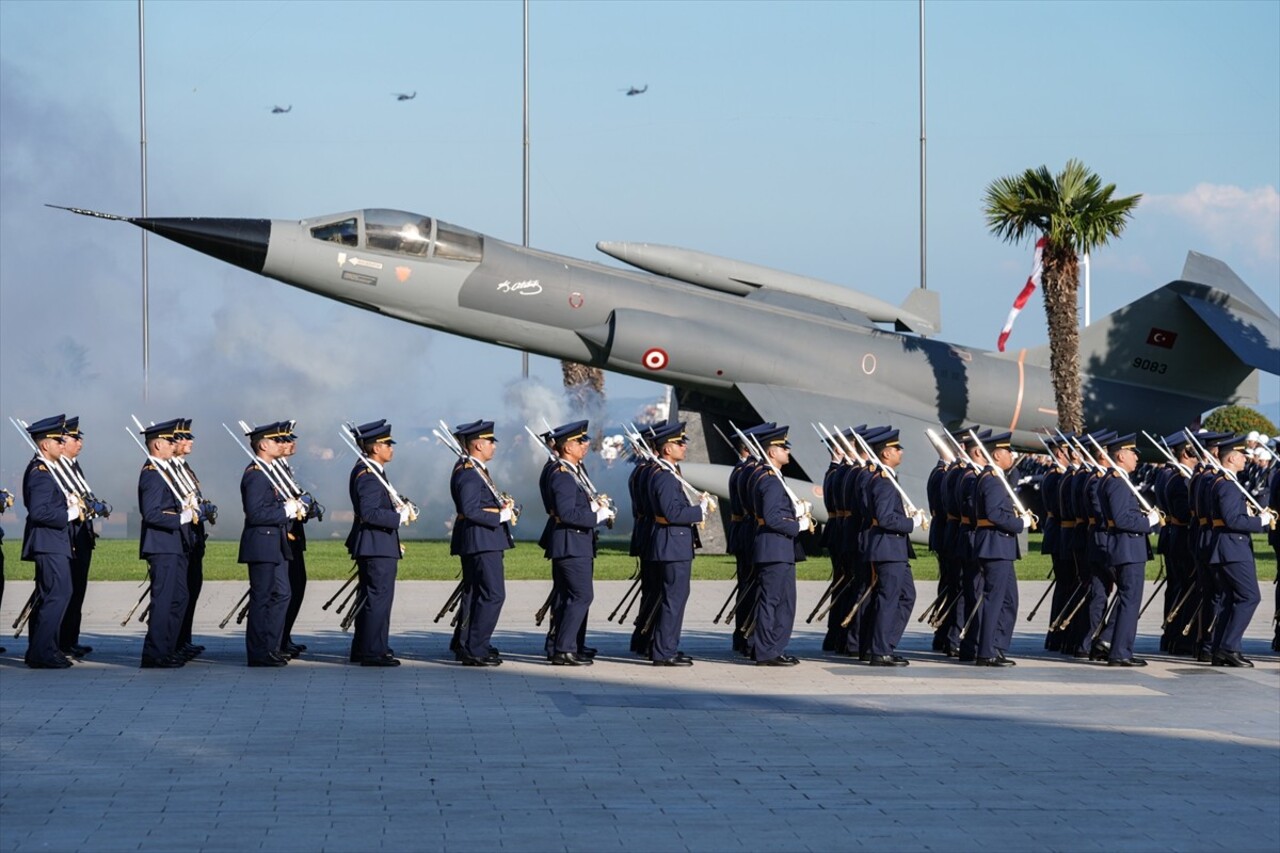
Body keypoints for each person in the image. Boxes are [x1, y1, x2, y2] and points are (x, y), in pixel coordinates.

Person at [538, 420, 614, 666]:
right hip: (571, 542)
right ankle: (564, 649)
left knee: (572, 596)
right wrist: (596, 516)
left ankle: (569, 645)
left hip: (578, 541)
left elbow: (573, 507)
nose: (586, 444)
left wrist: (594, 507)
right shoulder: (562, 476)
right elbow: (568, 514)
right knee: (581, 595)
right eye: (580, 441)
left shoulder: (571, 472)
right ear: (567, 447)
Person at [345, 419, 412, 666]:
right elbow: (369, 512)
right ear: (375, 448)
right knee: (377, 599)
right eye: (387, 444)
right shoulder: (369, 475)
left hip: (379, 543)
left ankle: (369, 647)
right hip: (375, 544)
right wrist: (398, 517)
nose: (391, 448)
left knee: (373, 598)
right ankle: (372, 651)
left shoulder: (372, 471)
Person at [1205, 436, 1276, 667]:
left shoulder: (1222, 481)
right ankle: (1229, 647)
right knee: (1249, 596)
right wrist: (1260, 521)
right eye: (1242, 454)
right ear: (1232, 457)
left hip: (1226, 546)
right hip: (1232, 548)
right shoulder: (1227, 484)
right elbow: (1233, 519)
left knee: (1230, 598)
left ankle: (1219, 648)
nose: (1246, 458)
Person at [644, 420, 709, 666]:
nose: (684, 447)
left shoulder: (666, 473)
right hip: (673, 544)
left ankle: (665, 646)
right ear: (667, 449)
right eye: (679, 443)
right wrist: (699, 511)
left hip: (671, 543)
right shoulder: (665, 477)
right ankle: (664, 651)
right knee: (674, 598)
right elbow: (672, 513)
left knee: (673, 597)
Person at [449, 419, 514, 667]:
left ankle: (467, 643)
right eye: (490, 442)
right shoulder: (469, 472)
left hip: (481, 539)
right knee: (492, 594)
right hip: (481, 540)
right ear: (477, 445)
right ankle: (475, 648)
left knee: (476, 593)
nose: (493, 446)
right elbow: (470, 509)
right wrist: (500, 515)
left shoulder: (474, 469)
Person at [238, 422, 298, 667]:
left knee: (282, 593)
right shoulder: (255, 474)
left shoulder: (269, 472)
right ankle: (258, 652)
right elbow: (255, 514)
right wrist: (286, 509)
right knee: (262, 597)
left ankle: (272, 646)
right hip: (262, 543)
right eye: (276, 441)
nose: (282, 444)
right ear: (263, 445)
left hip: (276, 542)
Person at [970, 431, 1032, 667]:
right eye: (1008, 452)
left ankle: (995, 645)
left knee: (1008, 599)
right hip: (995, 545)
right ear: (997, 454)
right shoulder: (992, 480)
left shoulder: (994, 477)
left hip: (998, 545)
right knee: (995, 600)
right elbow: (995, 514)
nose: (1012, 456)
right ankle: (986, 651)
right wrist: (1020, 524)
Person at [748, 424, 808, 666]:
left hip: (776, 548)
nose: (788, 452)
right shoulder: (771, 480)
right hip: (775, 548)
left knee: (778, 601)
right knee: (776, 602)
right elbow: (772, 517)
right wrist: (797, 526)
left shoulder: (768, 476)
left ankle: (770, 648)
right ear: (772, 452)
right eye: (783, 448)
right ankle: (768, 651)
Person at [1098, 434, 1160, 667]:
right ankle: (1121, 652)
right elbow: (1122, 518)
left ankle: (1111, 643)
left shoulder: (1113, 479)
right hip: (1127, 547)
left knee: (1127, 598)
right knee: (1130, 600)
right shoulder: (1117, 481)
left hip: (1124, 546)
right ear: (1121, 455)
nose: (1136, 458)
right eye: (1133, 453)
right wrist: (1148, 521)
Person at [137, 419, 194, 669]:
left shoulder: (166, 471)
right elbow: (151, 513)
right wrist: (183, 516)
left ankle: (168, 648)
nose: (176, 444)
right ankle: (155, 653)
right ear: (158, 444)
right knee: (163, 600)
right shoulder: (152, 474)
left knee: (178, 597)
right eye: (171, 441)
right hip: (162, 545)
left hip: (175, 543)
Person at [862, 428, 921, 666]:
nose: (901, 451)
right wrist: (911, 522)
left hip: (891, 547)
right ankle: (880, 650)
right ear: (886, 453)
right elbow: (886, 519)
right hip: (889, 547)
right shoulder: (884, 483)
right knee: (890, 598)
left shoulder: (883, 478)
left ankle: (882, 644)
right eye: (897, 448)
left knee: (906, 595)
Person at [21, 415, 76, 669]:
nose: (63, 444)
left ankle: (46, 648)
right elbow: (39, 512)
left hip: (54, 542)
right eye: (58, 440)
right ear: (45, 445)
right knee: (57, 594)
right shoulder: (41, 473)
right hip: (48, 543)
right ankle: (41, 652)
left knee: (56, 595)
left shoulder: (50, 470)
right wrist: (70, 513)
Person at [57, 416, 96, 660]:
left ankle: (70, 640)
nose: (79, 443)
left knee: (77, 591)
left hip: (81, 536)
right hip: (65, 537)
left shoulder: (73, 466)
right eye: (75, 438)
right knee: (62, 593)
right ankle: (57, 642)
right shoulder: (54, 468)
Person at [174, 419, 210, 661]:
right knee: (177, 595)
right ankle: (173, 642)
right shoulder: (166, 471)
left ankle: (182, 639)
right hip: (178, 540)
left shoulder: (184, 468)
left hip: (193, 539)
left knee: (190, 590)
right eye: (183, 438)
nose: (190, 441)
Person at [278, 423, 312, 659]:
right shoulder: (269, 471)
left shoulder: (284, 469)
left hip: (293, 537)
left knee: (296, 587)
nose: (292, 443)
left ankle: (283, 636)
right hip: (281, 539)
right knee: (285, 590)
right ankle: (277, 639)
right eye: (286, 439)